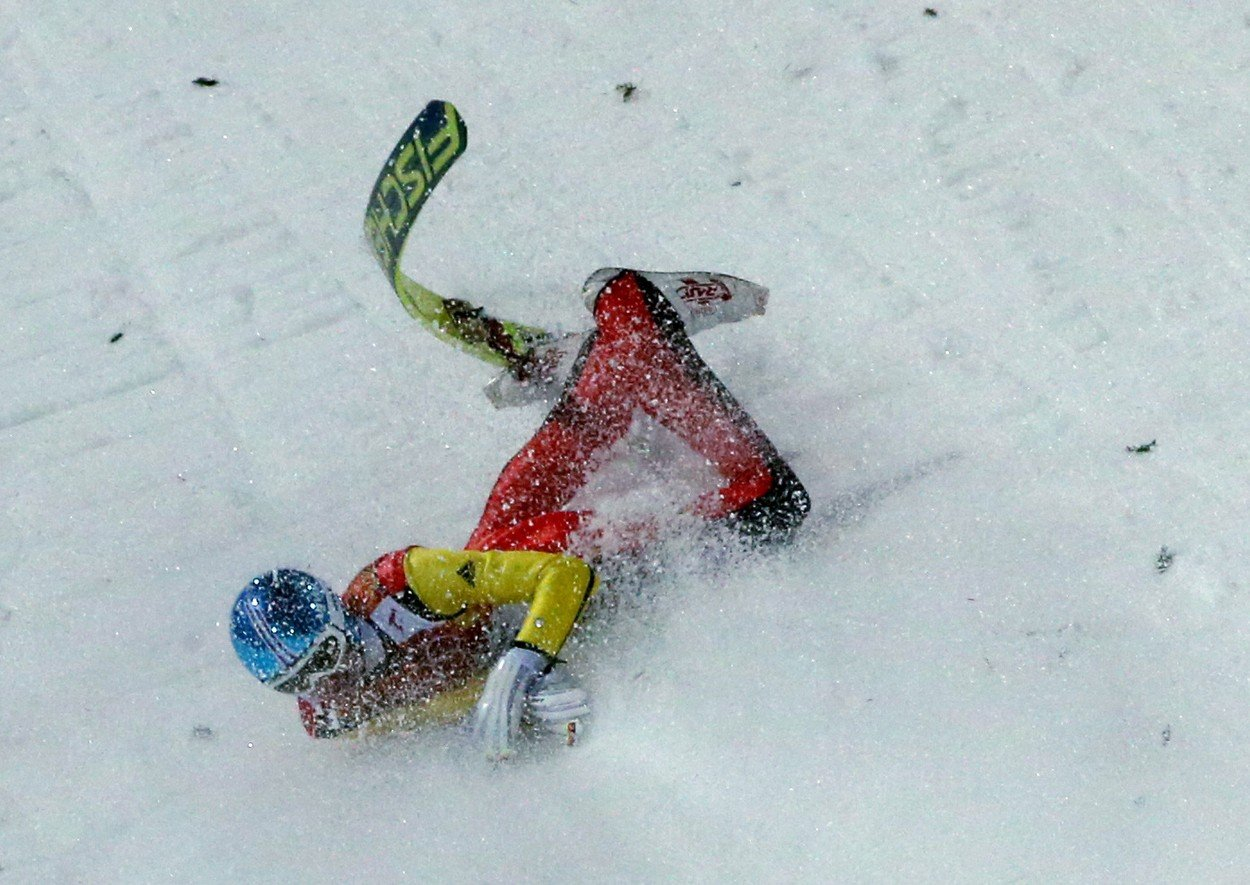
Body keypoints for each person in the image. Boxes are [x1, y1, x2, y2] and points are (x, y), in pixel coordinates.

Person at [230, 269, 810, 759]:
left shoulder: (408, 587)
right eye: (294, 683)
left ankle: (630, 313)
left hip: (531, 558)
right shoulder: (331, 715)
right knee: (584, 433)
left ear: (339, 617)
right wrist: (512, 688)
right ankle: (594, 362)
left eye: (325, 658)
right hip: (502, 558)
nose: (324, 683)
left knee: (771, 507)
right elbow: (434, 700)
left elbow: (561, 577)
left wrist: (526, 659)